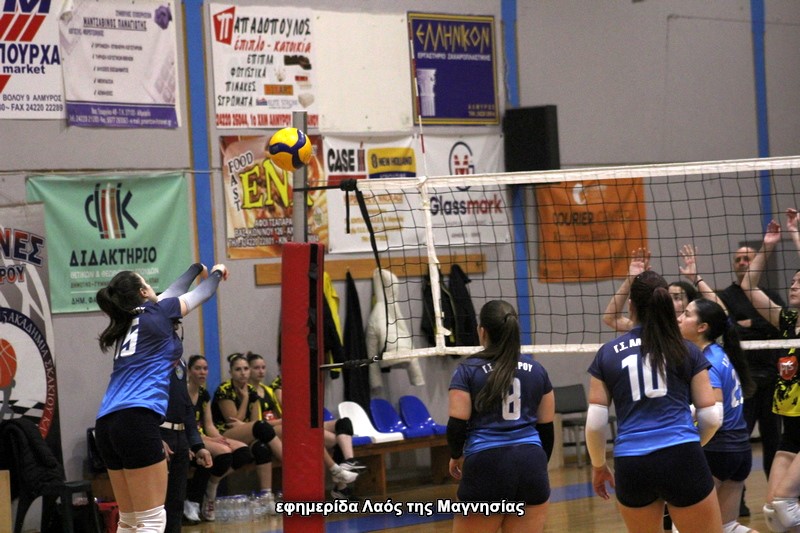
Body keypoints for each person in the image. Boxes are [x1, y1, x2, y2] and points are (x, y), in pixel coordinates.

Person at [93, 262, 228, 533]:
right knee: (152, 521)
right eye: (147, 283)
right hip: (136, 419)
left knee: (130, 521)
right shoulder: (160, 312)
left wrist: (195, 269)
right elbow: (200, 294)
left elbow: (173, 291)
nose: (154, 288)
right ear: (143, 292)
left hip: (106, 424)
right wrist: (217, 272)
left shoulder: (126, 323)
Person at [587, 270, 723, 533]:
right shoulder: (687, 349)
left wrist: (599, 465)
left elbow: (595, 423)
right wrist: (691, 446)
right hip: (681, 455)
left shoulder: (607, 354)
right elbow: (711, 416)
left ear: (631, 305)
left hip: (632, 463)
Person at [448, 299, 555, 533]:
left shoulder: (468, 370)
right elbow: (547, 429)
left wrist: (456, 455)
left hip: (486, 464)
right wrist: (535, 466)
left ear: (482, 331)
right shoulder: (538, 370)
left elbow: (457, 423)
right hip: (531, 463)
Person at [740, 211, 800, 532]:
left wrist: (795, 234)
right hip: (791, 427)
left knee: (786, 504)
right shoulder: (788, 322)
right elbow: (748, 285)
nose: (793, 285)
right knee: (774, 512)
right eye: (792, 281)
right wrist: (768, 245)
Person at [678, 298, 759, 533]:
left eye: (687, 314)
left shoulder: (708, 362)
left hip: (719, 451)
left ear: (702, 327)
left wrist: (691, 440)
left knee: (685, 526)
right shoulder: (718, 352)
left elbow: (715, 414)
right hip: (740, 450)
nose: (679, 318)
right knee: (727, 527)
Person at [245, 352, 363, 500]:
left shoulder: (270, 389)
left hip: (292, 424)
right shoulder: (274, 387)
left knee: (343, 423)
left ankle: (349, 463)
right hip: (279, 429)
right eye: (256, 368)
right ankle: (338, 479)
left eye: (263, 367)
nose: (261, 371)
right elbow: (280, 416)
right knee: (322, 437)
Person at [184, 354, 254, 522]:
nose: (202, 372)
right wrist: (213, 442)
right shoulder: (181, 393)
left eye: (205, 369)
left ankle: (212, 484)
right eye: (198, 368)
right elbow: (184, 426)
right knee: (222, 454)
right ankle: (194, 501)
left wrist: (220, 439)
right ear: (189, 371)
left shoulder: (204, 394)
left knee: (243, 452)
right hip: (187, 437)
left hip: (202, 436)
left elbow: (209, 425)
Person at [211, 352, 285, 497]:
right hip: (225, 433)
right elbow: (233, 421)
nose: (243, 373)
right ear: (231, 372)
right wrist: (245, 398)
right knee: (261, 426)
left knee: (261, 448)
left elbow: (254, 420)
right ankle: (291, 465)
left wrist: (247, 424)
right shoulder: (224, 389)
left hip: (247, 432)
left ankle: (266, 495)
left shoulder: (251, 390)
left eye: (245, 369)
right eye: (238, 369)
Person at [160, 357, 212, 532]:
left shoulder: (180, 363)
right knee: (158, 502)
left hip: (180, 436)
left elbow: (186, 407)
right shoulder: (151, 357)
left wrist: (198, 445)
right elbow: (142, 403)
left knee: (177, 500)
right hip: (161, 434)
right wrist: (154, 437)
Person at [603, 248, 699, 333]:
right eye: (667, 296)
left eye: (677, 298)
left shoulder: (692, 329)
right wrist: (630, 279)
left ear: (690, 304)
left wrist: (695, 278)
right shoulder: (652, 328)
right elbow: (611, 318)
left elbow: (710, 304)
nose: (669, 300)